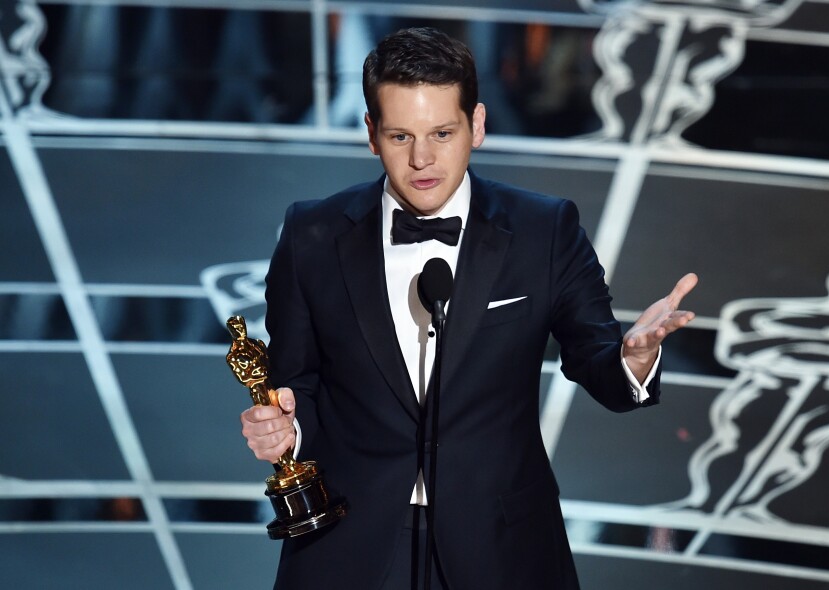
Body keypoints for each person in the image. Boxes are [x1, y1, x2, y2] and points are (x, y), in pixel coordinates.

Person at [240, 26, 698, 589]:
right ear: (371, 134)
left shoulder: (543, 229)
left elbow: (596, 359)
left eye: (442, 133)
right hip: (349, 543)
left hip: (501, 546)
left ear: (477, 125)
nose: (422, 159)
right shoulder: (311, 233)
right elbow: (296, 383)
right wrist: (283, 431)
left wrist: (634, 358)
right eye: (401, 136)